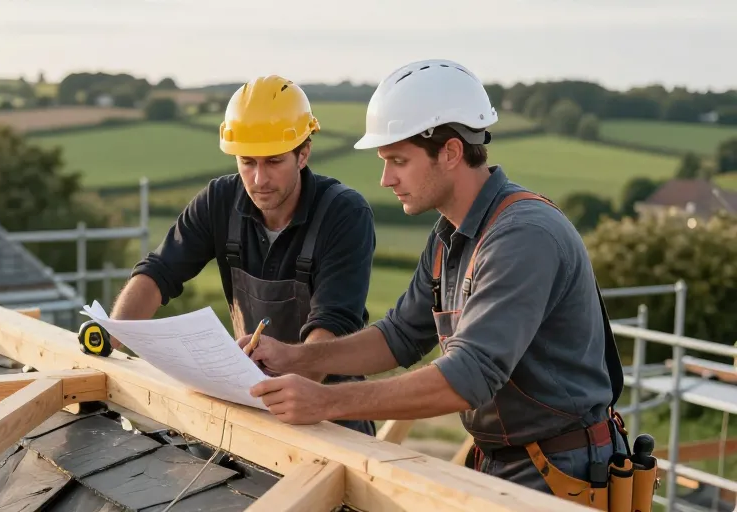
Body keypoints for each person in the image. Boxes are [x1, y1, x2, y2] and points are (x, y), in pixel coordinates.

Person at [239, 60, 630, 500]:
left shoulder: (523, 236)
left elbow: (469, 376)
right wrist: (296, 359)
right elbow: (399, 336)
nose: (386, 179)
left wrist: (326, 402)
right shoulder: (450, 235)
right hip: (506, 464)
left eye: (398, 161)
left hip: (562, 474)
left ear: (450, 152)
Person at [109, 75, 378, 436]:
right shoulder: (220, 201)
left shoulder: (345, 215)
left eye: (274, 161)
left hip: (329, 418)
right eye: (247, 162)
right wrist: (112, 336)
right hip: (251, 407)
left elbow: (330, 330)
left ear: (304, 153)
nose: (258, 179)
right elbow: (158, 273)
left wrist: (269, 389)